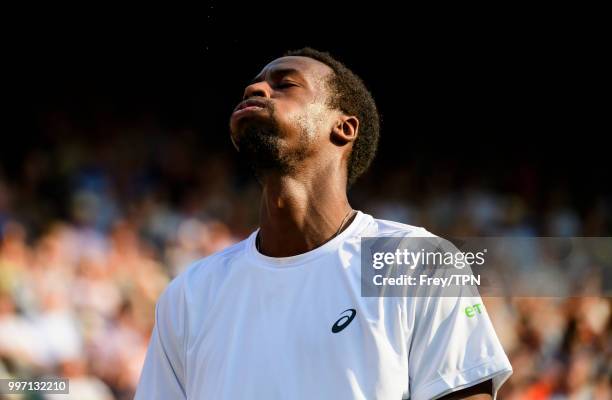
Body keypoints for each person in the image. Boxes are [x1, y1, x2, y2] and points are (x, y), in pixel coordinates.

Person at [134, 48, 512, 399]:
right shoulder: (190, 293)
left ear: (343, 127)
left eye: (285, 84)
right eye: (255, 83)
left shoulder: (415, 262)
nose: (254, 88)